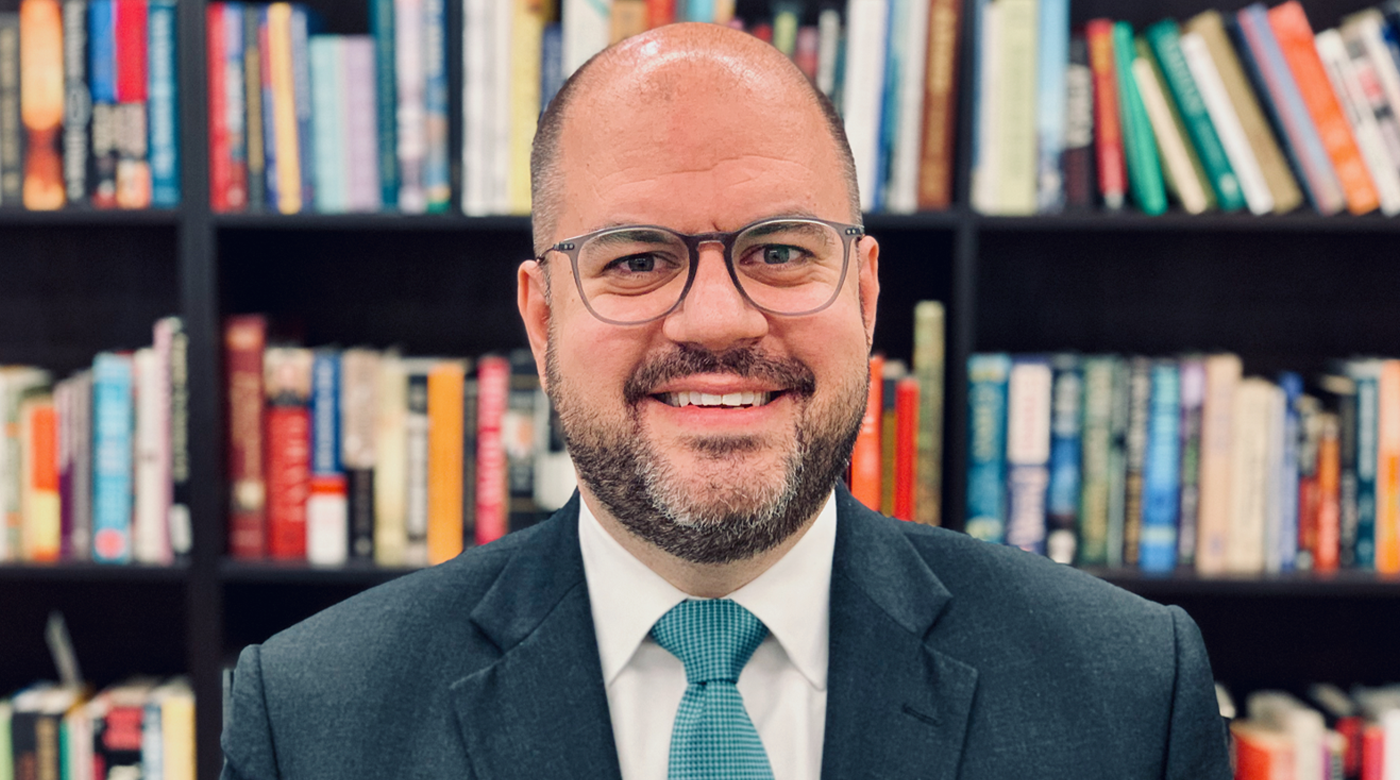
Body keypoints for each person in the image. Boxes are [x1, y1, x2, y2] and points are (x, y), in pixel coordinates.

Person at [221, 23, 1231, 780]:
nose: (713, 320)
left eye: (780, 251)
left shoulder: (1127, 695)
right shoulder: (312, 719)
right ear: (539, 316)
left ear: (867, 295)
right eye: (635, 259)